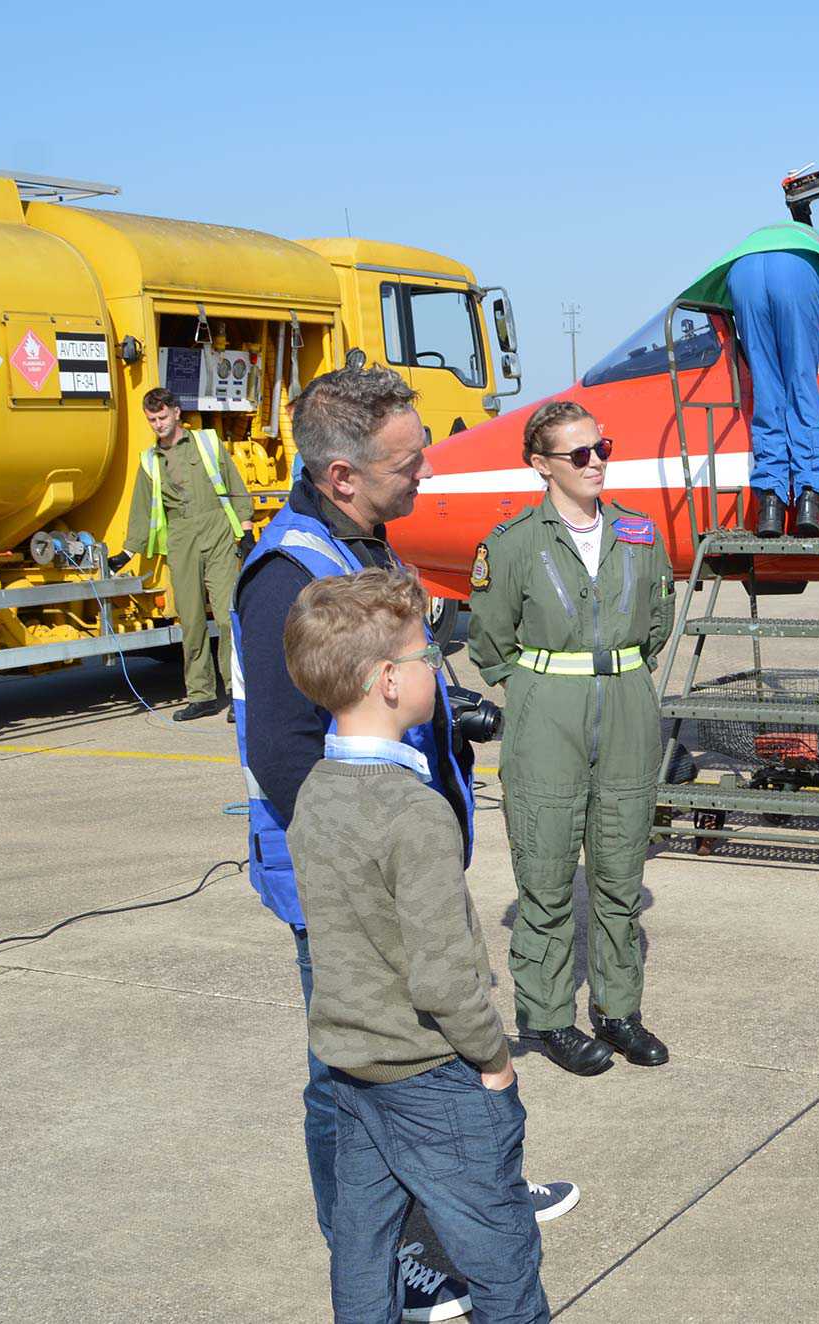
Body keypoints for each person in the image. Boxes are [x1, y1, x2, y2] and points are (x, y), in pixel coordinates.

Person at [233, 366, 576, 1323]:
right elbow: (282, 750)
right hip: (345, 883)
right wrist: (374, 856)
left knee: (391, 1075)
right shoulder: (288, 578)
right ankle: (407, 1246)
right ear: (343, 476)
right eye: (407, 459)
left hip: (378, 860)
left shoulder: (358, 542)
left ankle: (434, 1209)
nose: (426, 469)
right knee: (351, 1084)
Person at [283, 567, 549, 1324]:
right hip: (432, 1075)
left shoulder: (315, 792)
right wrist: (494, 1063)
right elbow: (443, 978)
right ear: (387, 681)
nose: (438, 667)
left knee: (364, 1251)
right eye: (427, 655)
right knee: (503, 1257)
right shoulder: (413, 813)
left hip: (353, 1067)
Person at [468, 401, 673, 1077]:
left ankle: (618, 1012)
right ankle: (550, 1016)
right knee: (548, 880)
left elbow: (655, 624)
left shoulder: (640, 534)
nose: (596, 462)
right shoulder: (512, 543)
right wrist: (536, 695)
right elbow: (491, 644)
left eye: (601, 448)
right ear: (541, 466)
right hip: (545, 718)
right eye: (579, 453)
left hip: (626, 711)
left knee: (619, 876)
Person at [680, 222, 819, 537]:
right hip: (796, 269)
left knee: (767, 392)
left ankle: (770, 507)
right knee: (801, 387)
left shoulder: (775, 235)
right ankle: (810, 500)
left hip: (743, 272)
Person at [117, 386, 252, 721]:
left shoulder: (206, 443)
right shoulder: (149, 461)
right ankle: (202, 695)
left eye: (162, 416)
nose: (158, 424)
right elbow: (140, 509)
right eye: (152, 419)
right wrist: (126, 551)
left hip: (217, 529)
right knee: (191, 620)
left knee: (226, 615)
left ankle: (238, 694)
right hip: (181, 537)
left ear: (176, 412)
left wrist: (246, 529)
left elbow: (234, 485)